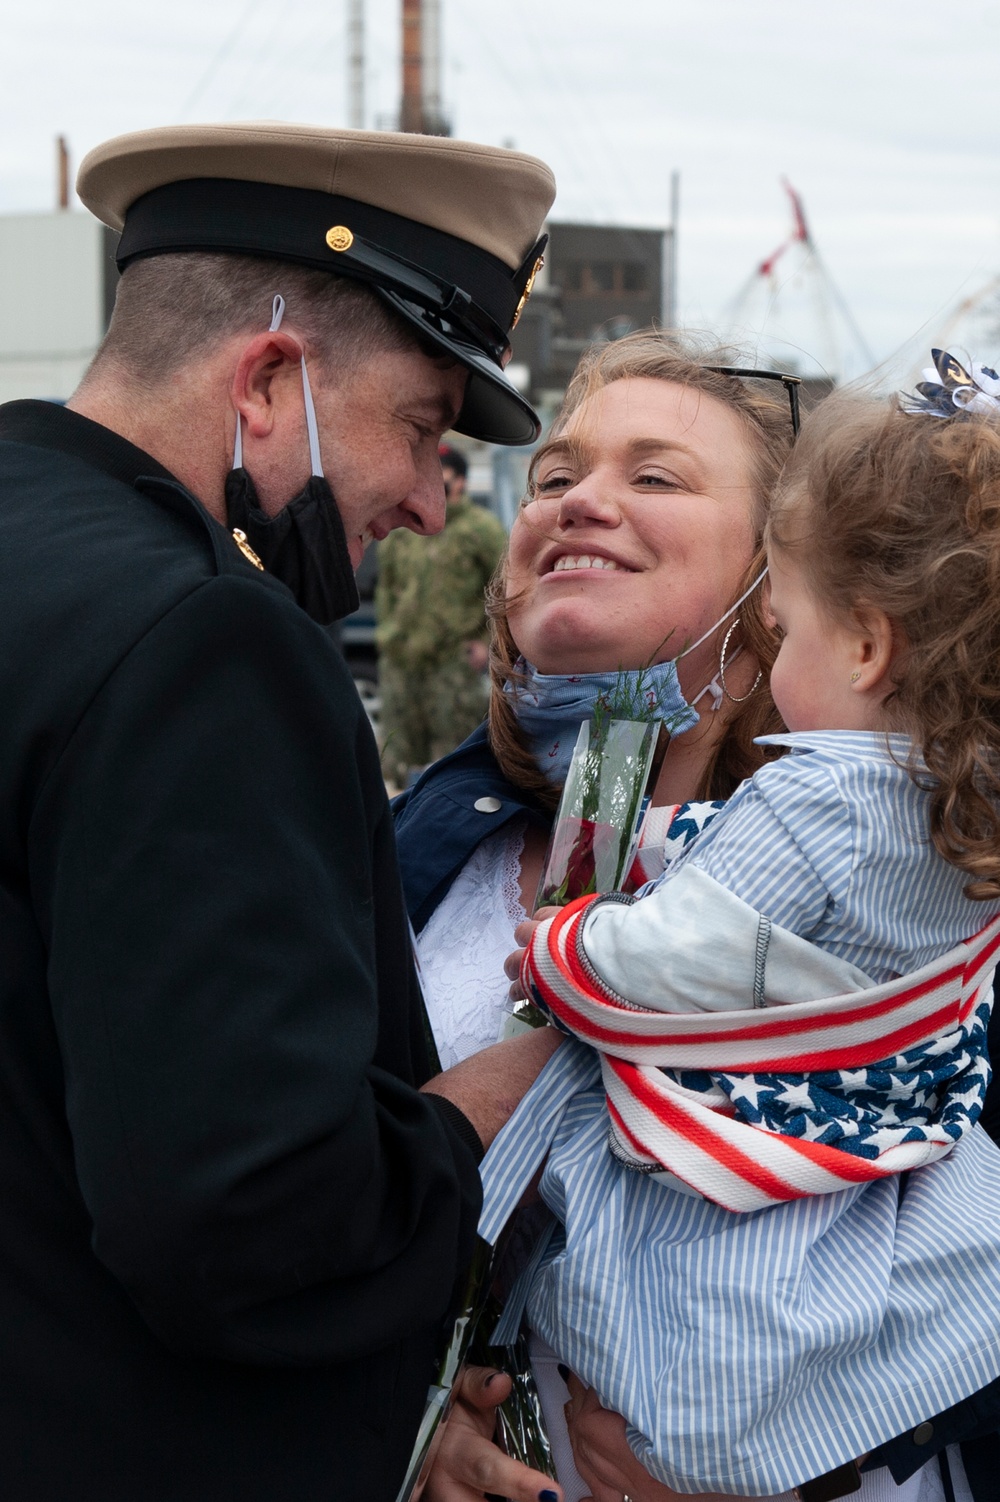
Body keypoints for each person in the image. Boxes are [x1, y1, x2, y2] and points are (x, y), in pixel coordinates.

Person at [0, 119, 563, 1502]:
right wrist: (465, 1119)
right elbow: (241, 1222)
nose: (434, 505)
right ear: (266, 381)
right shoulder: (210, 642)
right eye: (423, 429)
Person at [393, 335, 1000, 1502]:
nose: (581, 503)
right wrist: (407, 1428)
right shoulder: (425, 834)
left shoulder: (939, 863)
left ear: (791, 579)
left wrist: (815, 1458)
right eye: (556, 477)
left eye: (655, 476)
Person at [376, 443, 507, 786]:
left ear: (461, 482)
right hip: (402, 660)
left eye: (443, 478)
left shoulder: (481, 530)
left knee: (456, 758)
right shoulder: (405, 527)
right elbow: (386, 585)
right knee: (395, 758)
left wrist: (485, 643)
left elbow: (506, 593)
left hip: (452, 662)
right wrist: (387, 631)